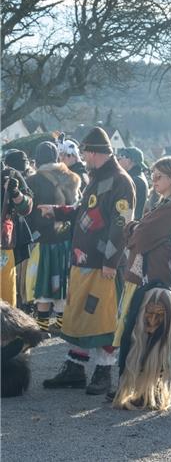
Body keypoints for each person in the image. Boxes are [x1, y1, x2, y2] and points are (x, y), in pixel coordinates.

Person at [40, 127, 135, 395]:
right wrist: (56, 211)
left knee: (102, 318)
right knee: (78, 314)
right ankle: (75, 368)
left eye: (85, 152)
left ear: (93, 152)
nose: (83, 156)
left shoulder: (120, 181)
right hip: (83, 260)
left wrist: (111, 261)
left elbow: (121, 223)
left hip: (101, 262)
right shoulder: (98, 178)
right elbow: (85, 210)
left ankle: (104, 372)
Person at [112, 156, 171, 410]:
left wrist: (132, 227)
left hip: (151, 281)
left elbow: (139, 238)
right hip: (158, 280)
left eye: (159, 177)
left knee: (144, 335)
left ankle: (142, 391)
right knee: (153, 337)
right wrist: (137, 228)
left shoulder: (170, 208)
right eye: (152, 176)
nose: (153, 181)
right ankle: (146, 391)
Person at [24, 142, 82, 332]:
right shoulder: (73, 178)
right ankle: (60, 322)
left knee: (43, 280)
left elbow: (28, 212)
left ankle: (41, 325)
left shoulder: (33, 180)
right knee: (63, 279)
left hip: (43, 239)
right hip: (66, 238)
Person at [1, 160, 34, 307]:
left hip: (2, 247)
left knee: (5, 299)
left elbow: (26, 208)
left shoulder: (11, 174)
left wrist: (16, 193)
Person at [118, 147, 149, 220]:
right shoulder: (138, 177)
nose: (119, 159)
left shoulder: (134, 180)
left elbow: (122, 207)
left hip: (128, 226)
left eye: (122, 156)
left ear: (130, 160)